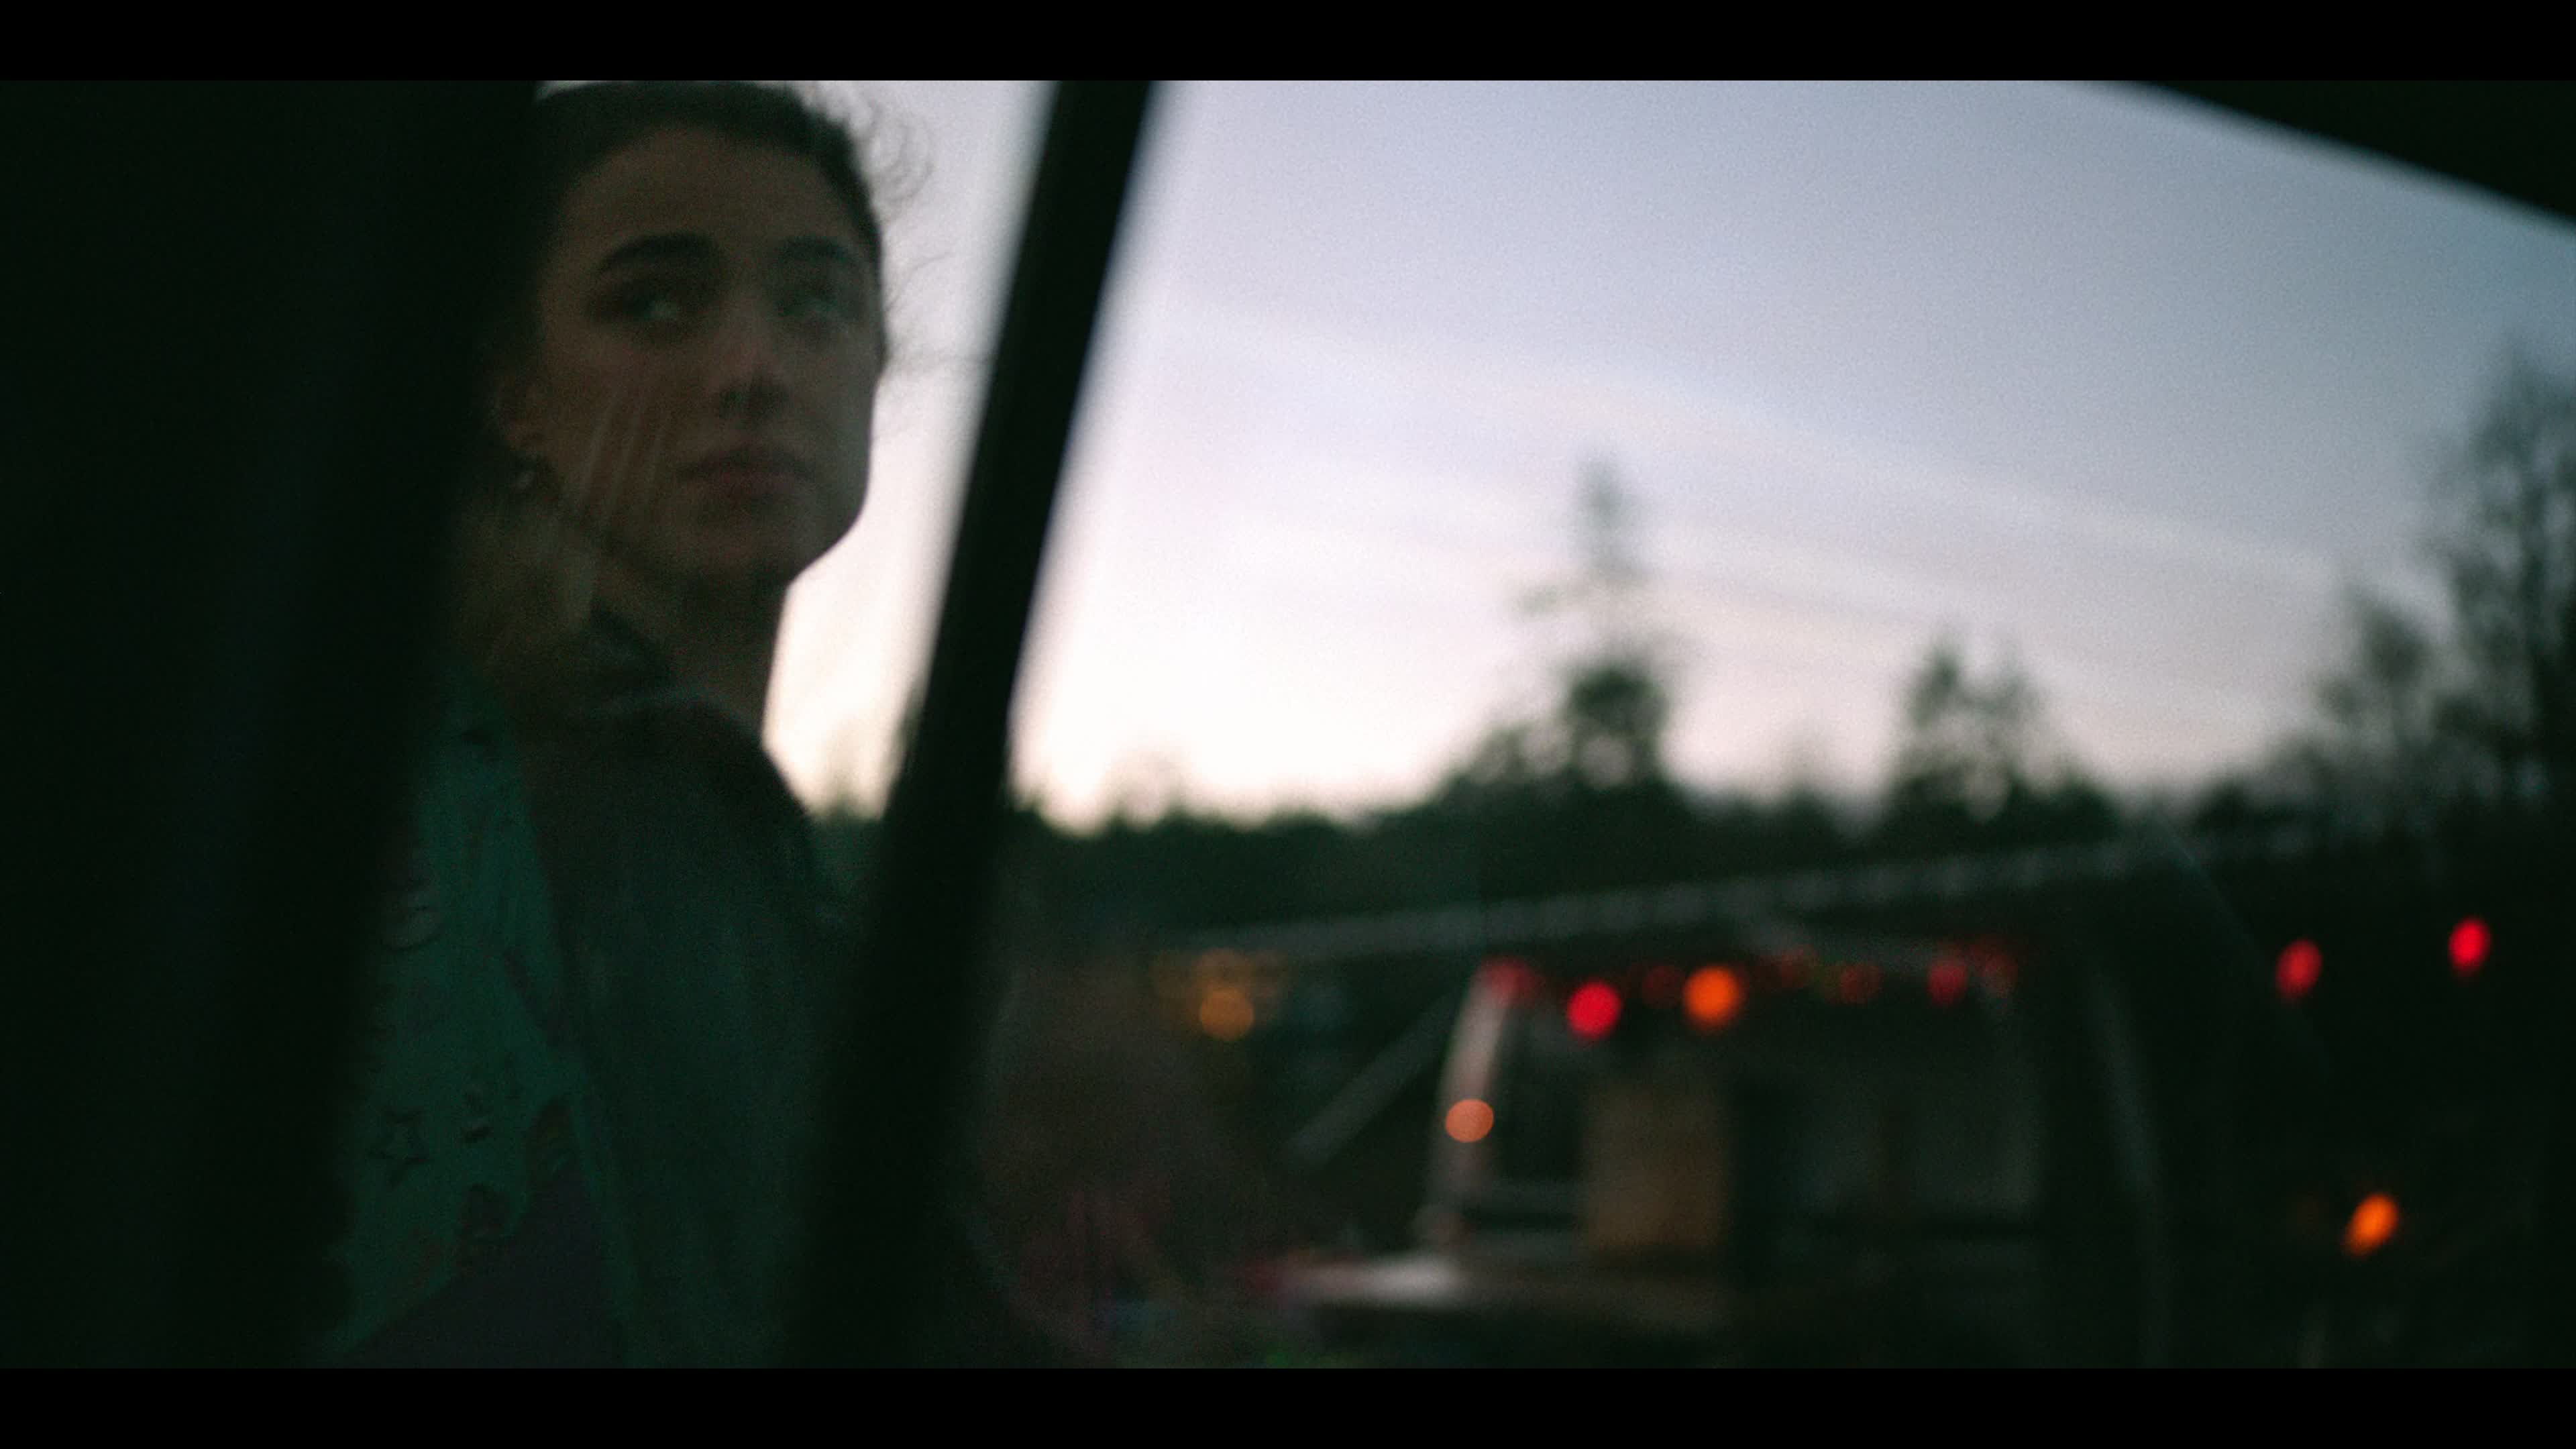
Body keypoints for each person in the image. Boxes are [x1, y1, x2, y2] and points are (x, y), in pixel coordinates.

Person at [462, 78, 1046, 1366]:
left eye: (816, 303)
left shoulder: (630, 782)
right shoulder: (606, 804)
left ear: (879, 360)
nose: (755, 372)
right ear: (514, 394)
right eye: (654, 304)